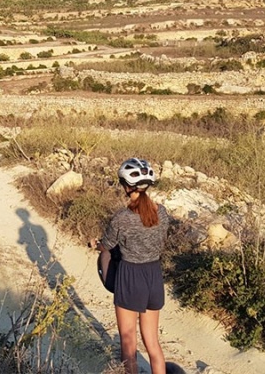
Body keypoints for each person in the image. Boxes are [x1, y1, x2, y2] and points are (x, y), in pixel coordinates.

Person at [99, 158, 169, 374]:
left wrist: (97, 247)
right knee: (153, 345)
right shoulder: (163, 212)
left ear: (127, 186)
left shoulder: (122, 218)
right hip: (154, 276)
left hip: (131, 277)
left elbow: (107, 246)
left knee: (128, 348)